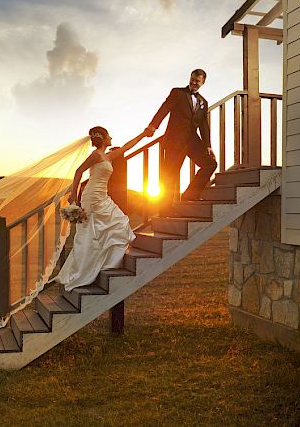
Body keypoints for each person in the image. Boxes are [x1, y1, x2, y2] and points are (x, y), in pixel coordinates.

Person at [53, 126, 147, 291]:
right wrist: (74, 195)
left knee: (116, 223)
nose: (112, 137)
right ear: (103, 138)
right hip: (92, 197)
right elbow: (78, 171)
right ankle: (85, 270)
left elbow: (127, 146)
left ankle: (103, 264)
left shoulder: (108, 156)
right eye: (109, 135)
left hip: (102, 196)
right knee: (94, 230)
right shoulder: (96, 155)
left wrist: (144, 134)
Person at [144, 69, 217, 217]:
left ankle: (190, 194)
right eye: (193, 79)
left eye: (198, 80)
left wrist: (208, 145)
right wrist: (153, 126)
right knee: (170, 175)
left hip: (192, 141)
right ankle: (165, 210)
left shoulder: (204, 102)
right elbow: (164, 109)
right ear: (190, 78)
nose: (194, 82)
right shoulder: (177, 93)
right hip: (175, 140)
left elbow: (204, 125)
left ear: (203, 82)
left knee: (210, 164)